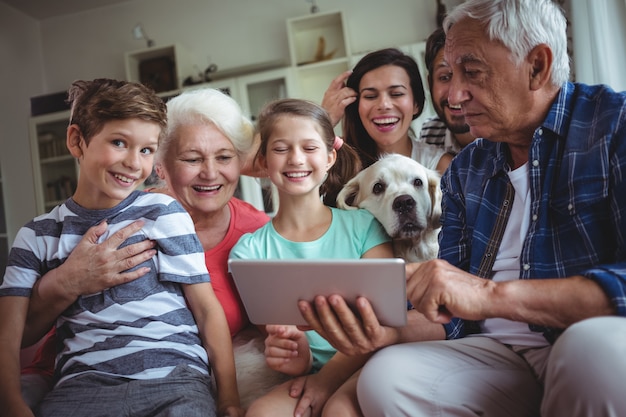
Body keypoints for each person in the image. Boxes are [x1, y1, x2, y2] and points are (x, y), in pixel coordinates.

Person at [299, 0, 626, 416]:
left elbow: (479, 295)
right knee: (387, 378)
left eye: (472, 72)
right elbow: (449, 313)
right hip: (497, 354)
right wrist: (377, 332)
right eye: (448, 75)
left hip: (586, 339)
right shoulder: (467, 169)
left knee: (592, 352)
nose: (453, 95)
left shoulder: (615, 127)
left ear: (538, 66)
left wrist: (492, 295)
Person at [18, 86, 275, 410]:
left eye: (224, 158)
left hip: (172, 382)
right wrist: (68, 280)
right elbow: (20, 331)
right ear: (160, 166)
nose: (210, 172)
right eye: (192, 159)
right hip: (71, 381)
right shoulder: (121, 217)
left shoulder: (257, 233)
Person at [229, 98, 394, 417]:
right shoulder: (249, 252)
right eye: (280, 149)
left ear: (330, 156)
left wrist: (329, 380)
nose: (295, 159)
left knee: (339, 412)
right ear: (262, 160)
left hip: (372, 363)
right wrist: (295, 355)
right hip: (307, 375)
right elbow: (278, 335)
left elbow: (383, 319)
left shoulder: (365, 226)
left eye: (309, 147)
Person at [321, 48, 453, 174]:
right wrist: (323, 120)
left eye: (396, 94)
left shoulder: (440, 167)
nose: (384, 105)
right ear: (356, 106)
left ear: (416, 104)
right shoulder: (336, 160)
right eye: (370, 96)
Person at [418, 26, 474, 157]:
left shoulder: (507, 139)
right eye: (444, 77)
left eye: (470, 73)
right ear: (429, 82)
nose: (456, 95)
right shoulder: (431, 133)